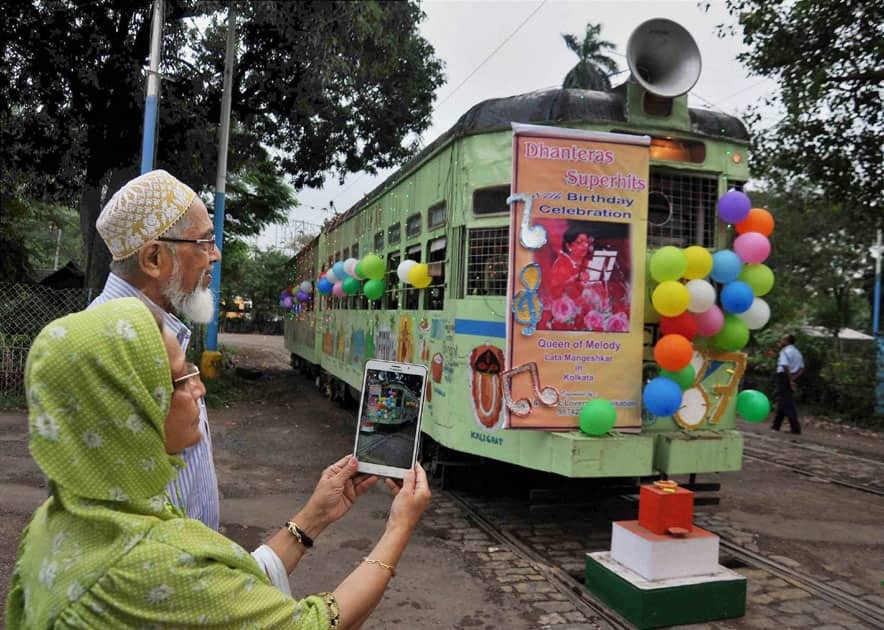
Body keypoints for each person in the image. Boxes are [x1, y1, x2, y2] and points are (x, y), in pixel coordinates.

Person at [6, 299, 431, 629]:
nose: (200, 388)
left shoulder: (67, 518)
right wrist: (398, 528)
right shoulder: (146, 562)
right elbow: (315, 623)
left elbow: (227, 590)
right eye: (179, 379)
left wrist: (313, 518)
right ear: (127, 405)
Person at [90, 169, 221, 529]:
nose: (216, 255)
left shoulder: (151, 334)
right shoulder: (114, 346)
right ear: (153, 259)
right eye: (205, 242)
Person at [772, 333, 805, 434]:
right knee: (784, 400)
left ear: (787, 341)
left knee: (786, 402)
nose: (782, 341)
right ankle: (776, 425)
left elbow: (785, 366)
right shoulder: (798, 352)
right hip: (792, 376)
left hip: (783, 376)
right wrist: (794, 378)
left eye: (783, 339)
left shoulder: (785, 351)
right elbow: (802, 368)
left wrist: (790, 379)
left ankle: (795, 428)